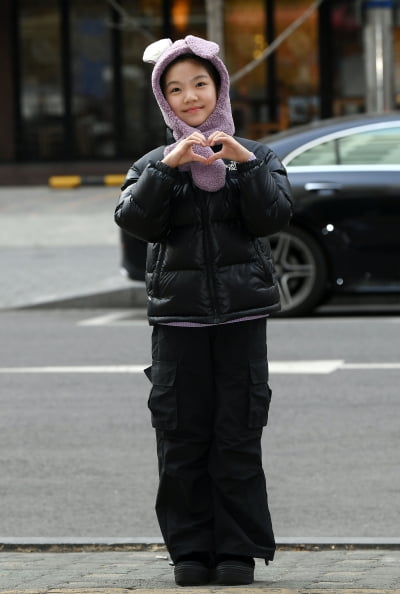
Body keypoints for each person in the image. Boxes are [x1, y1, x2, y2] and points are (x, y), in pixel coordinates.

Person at [114, 35, 293, 587]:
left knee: (237, 437)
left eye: (199, 83)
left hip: (241, 319)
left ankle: (238, 553)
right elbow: (135, 222)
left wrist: (242, 166)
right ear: (163, 99)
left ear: (218, 87)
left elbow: (274, 218)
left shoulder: (256, 155)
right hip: (177, 323)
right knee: (181, 438)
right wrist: (167, 169)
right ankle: (190, 553)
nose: (190, 96)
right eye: (175, 88)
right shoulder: (152, 163)